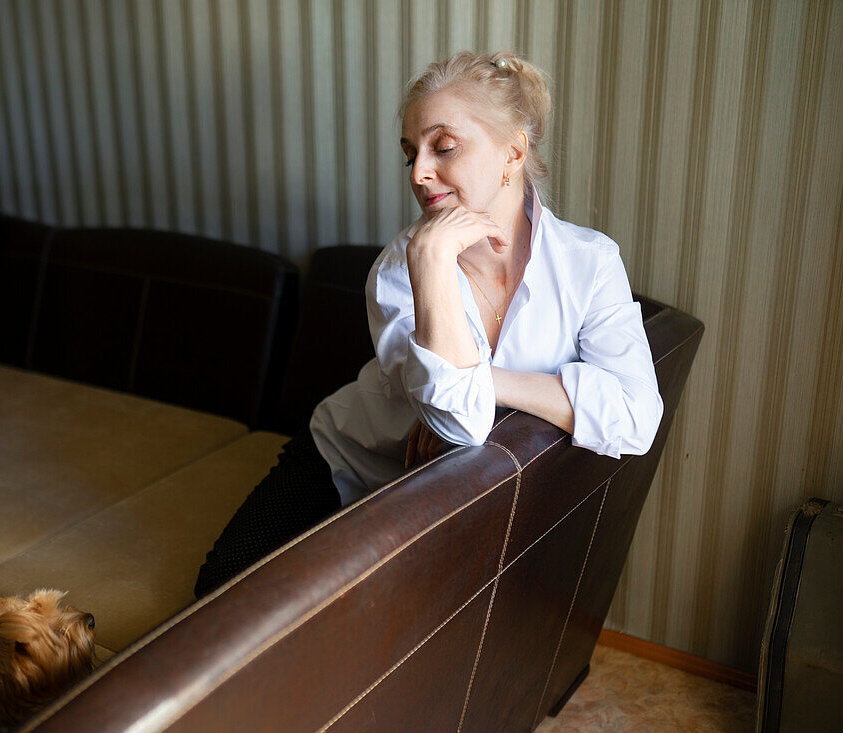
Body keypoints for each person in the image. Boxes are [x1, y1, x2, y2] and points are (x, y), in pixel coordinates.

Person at [194, 50, 662, 598]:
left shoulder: (590, 262)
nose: (419, 173)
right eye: (410, 153)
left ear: (514, 151)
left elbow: (636, 418)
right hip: (346, 457)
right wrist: (434, 263)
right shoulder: (402, 269)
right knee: (221, 593)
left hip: (429, 499)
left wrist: (486, 382)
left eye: (444, 147)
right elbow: (460, 426)